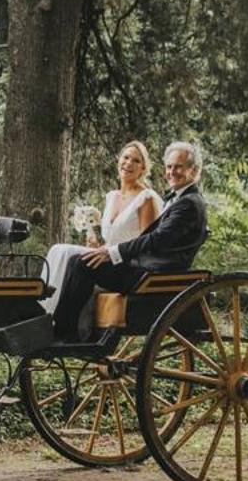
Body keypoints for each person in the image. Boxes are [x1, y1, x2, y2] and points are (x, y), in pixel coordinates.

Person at [51, 139, 209, 339]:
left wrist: (113, 252)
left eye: (178, 167)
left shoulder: (190, 204)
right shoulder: (178, 199)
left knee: (84, 263)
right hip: (146, 267)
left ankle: (66, 333)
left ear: (194, 171)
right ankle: (64, 328)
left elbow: (157, 239)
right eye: (169, 167)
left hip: (157, 273)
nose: (171, 172)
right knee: (80, 261)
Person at [79, 141, 163, 248]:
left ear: (143, 168)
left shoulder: (146, 198)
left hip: (130, 262)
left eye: (136, 161)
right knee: (59, 250)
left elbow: (147, 246)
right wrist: (97, 247)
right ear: (119, 160)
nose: (128, 163)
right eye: (126, 157)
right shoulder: (112, 197)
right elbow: (111, 244)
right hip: (109, 260)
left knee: (66, 253)